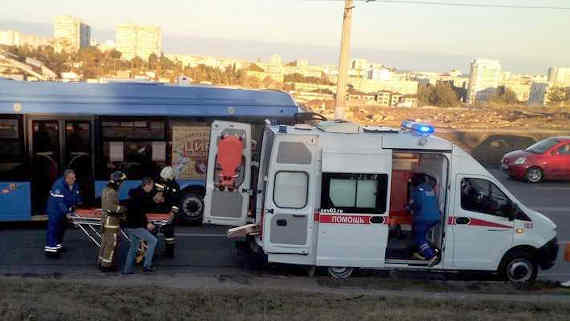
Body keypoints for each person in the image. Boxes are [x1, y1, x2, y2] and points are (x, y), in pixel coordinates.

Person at [122, 177, 160, 274]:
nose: (152, 188)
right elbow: (139, 212)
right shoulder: (141, 196)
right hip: (135, 225)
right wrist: (146, 224)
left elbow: (143, 207)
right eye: (151, 186)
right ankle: (147, 266)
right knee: (153, 241)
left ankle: (127, 270)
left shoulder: (137, 193)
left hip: (129, 225)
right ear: (146, 185)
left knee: (133, 247)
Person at [44, 169, 82, 257]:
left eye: (74, 177)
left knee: (61, 228)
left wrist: (78, 203)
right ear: (66, 179)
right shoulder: (58, 185)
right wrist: (67, 213)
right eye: (72, 178)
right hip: (54, 210)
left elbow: (76, 195)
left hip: (64, 209)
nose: (74, 179)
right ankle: (50, 250)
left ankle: (58, 245)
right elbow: (60, 202)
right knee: (53, 229)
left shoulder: (73, 184)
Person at [97, 171, 127, 271]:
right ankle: (106, 266)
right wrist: (123, 209)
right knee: (111, 243)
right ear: (118, 181)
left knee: (105, 242)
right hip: (111, 221)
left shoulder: (106, 189)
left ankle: (101, 262)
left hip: (106, 220)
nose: (122, 184)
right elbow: (111, 207)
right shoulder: (112, 192)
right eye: (121, 182)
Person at [409, 173, 441, 266]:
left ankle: (431, 256)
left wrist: (408, 207)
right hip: (435, 217)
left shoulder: (417, 190)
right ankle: (419, 253)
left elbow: (416, 204)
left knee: (420, 238)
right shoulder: (429, 189)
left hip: (424, 218)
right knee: (419, 233)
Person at [154, 166, 180, 257]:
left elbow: (176, 201)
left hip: (165, 212)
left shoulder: (173, 185)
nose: (164, 179)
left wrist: (172, 213)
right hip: (162, 211)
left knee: (167, 233)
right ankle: (167, 253)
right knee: (165, 233)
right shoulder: (172, 185)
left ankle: (168, 252)